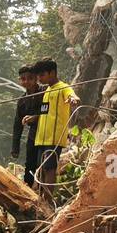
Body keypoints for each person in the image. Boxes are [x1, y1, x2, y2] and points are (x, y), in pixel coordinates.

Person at [23, 59, 79, 203]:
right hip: (41, 137)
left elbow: (72, 96)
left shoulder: (63, 87)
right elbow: (45, 112)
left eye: (42, 75)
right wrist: (33, 118)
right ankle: (41, 198)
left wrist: (73, 99)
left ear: (52, 73)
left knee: (50, 168)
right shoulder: (47, 91)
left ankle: (47, 201)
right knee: (41, 169)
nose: (39, 79)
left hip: (54, 138)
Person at [10, 66, 42, 188]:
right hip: (33, 135)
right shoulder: (22, 101)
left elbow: (51, 112)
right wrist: (15, 148)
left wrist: (36, 117)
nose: (26, 82)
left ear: (36, 79)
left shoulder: (46, 92)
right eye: (23, 79)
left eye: (30, 78)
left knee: (42, 164)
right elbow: (17, 125)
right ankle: (27, 190)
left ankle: (43, 191)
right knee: (29, 164)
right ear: (20, 80)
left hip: (48, 134)